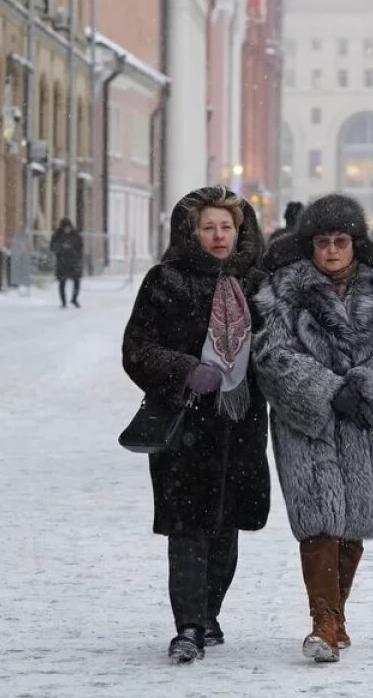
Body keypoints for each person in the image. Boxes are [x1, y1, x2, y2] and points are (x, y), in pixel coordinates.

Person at [253, 193, 373, 663]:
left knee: (354, 525)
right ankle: (323, 623)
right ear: (310, 245)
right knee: (319, 522)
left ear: (355, 243)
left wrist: (365, 388)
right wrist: (328, 389)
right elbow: (272, 355)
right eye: (323, 241)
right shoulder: (283, 289)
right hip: (307, 425)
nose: (331, 250)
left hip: (366, 424)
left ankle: (338, 615)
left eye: (341, 241)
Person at [121, 186, 271, 664]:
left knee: (226, 527)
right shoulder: (165, 280)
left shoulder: (259, 283)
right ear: (193, 230)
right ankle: (187, 625)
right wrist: (185, 368)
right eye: (209, 227)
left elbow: (278, 347)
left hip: (241, 421)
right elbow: (136, 349)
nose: (219, 235)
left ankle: (208, 613)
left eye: (227, 226)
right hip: (184, 421)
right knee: (188, 525)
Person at [49, 217, 83, 308]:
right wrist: (61, 248)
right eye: (65, 227)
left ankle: (74, 298)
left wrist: (74, 251)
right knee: (62, 282)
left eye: (68, 227)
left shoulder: (75, 235)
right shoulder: (57, 235)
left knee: (77, 281)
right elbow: (52, 247)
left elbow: (80, 246)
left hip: (74, 262)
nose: (67, 229)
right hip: (62, 262)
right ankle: (63, 302)